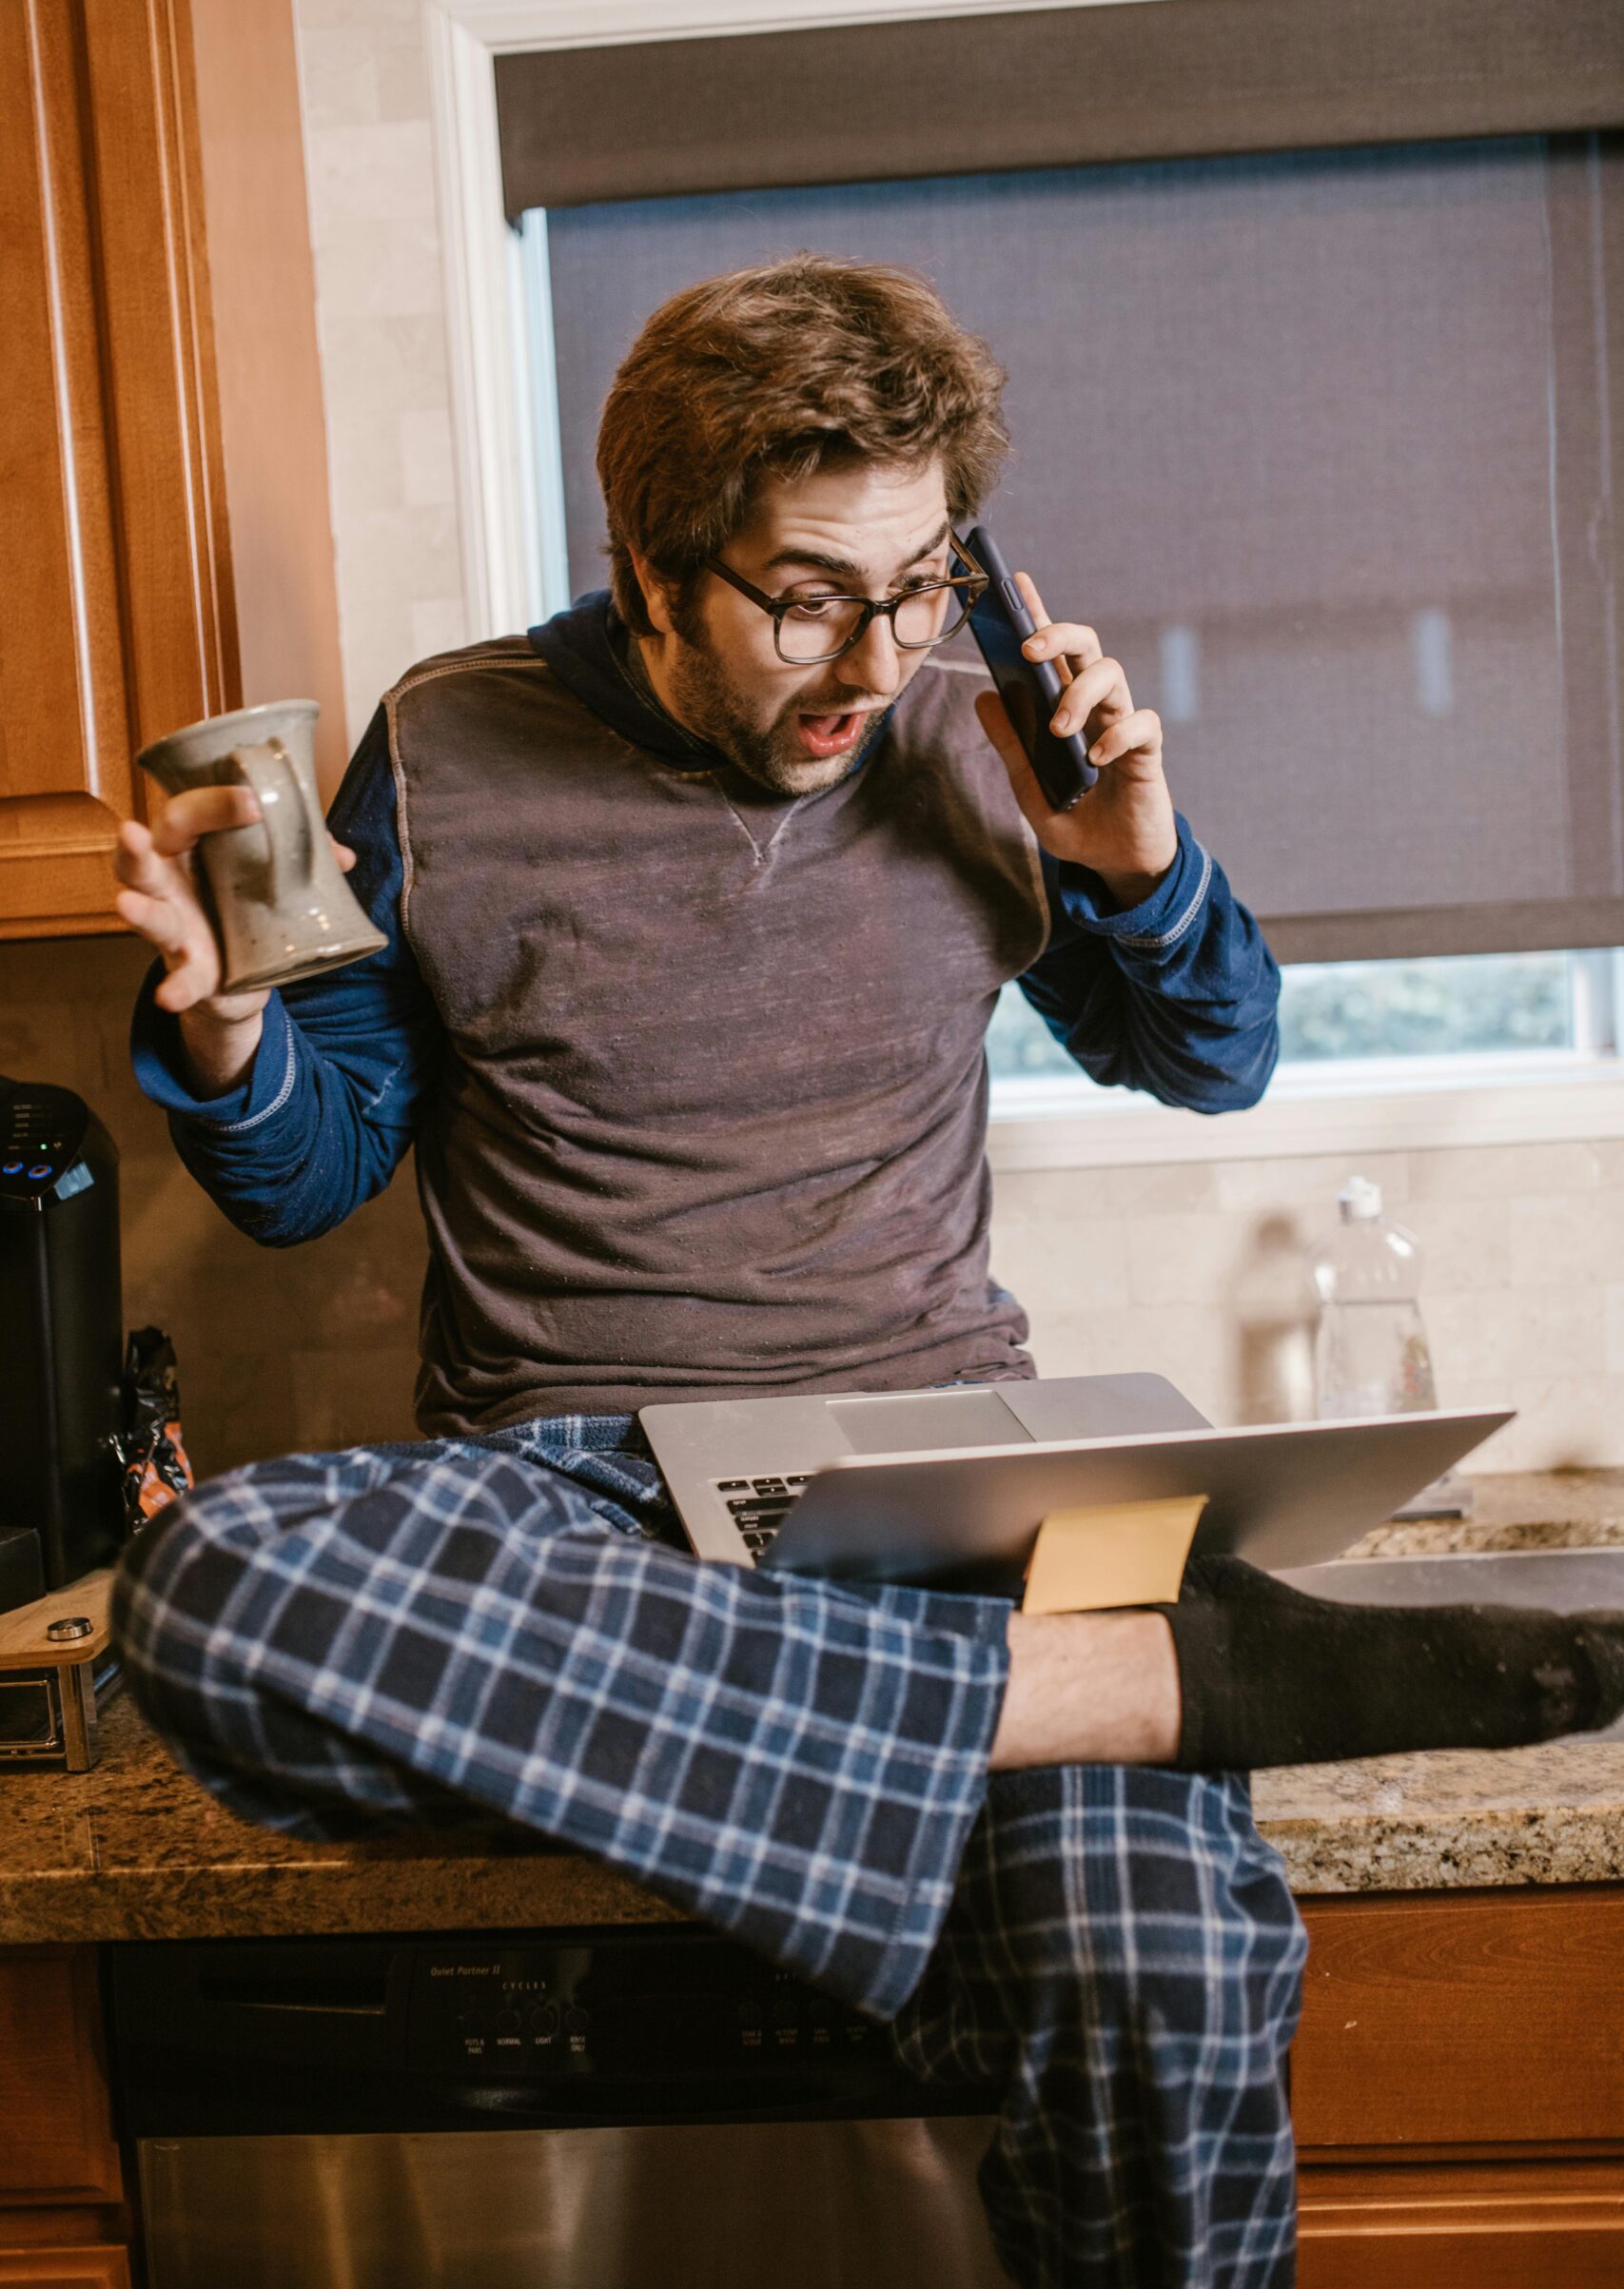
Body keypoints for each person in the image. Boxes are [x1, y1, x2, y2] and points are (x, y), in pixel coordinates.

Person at [110, 258, 1624, 2288]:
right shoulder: (449, 746)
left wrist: (1136, 865)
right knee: (212, 1582)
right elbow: (312, 1177)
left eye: (921, 579)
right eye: (806, 589)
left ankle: (1082, 1681)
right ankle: (1181, 1670)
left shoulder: (970, 737)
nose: (873, 650)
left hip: (967, 1475)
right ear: (644, 566)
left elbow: (1213, 1055)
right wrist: (223, 1042)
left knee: (1158, 1947)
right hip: (580, 1504)